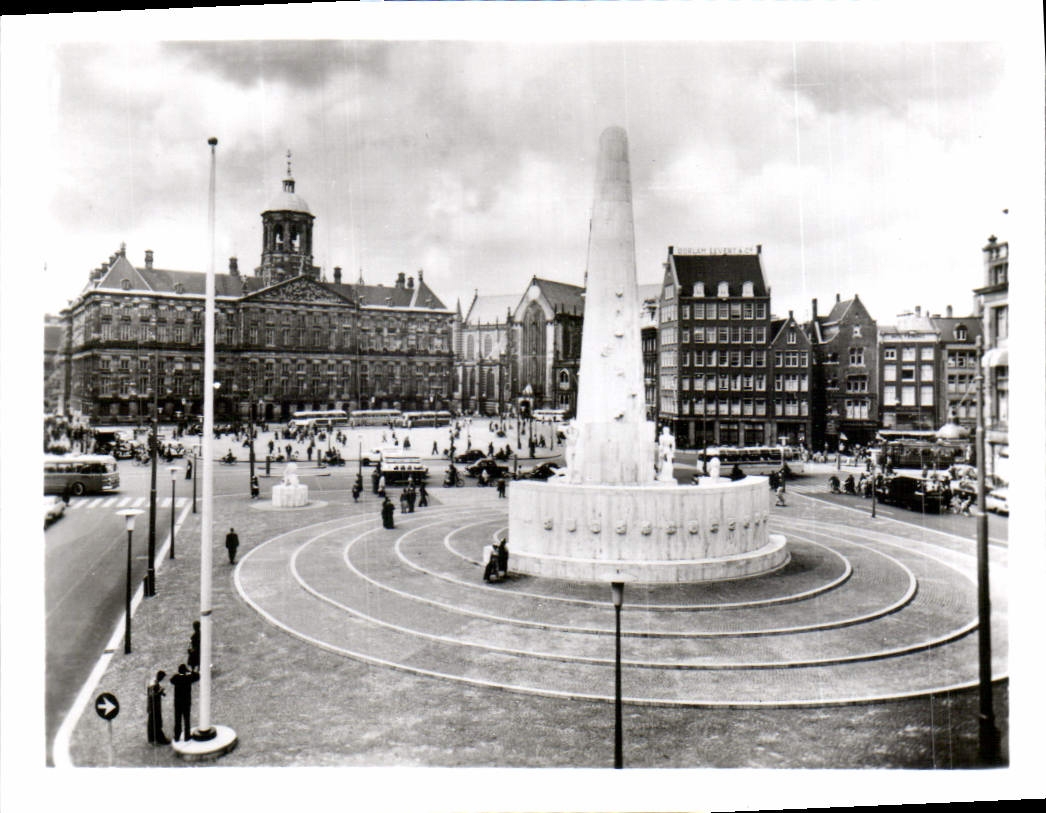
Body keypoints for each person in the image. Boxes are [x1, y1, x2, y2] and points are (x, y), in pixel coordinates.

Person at [169, 664, 199, 742]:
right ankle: (187, 736)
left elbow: (171, 680)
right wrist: (190, 671)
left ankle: (177, 736)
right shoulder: (188, 678)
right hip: (186, 701)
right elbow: (197, 676)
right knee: (186, 719)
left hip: (177, 702)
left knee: (177, 720)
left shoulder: (176, 677)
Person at [146, 670, 169, 745]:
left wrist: (161, 693)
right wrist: (160, 691)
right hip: (154, 707)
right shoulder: (154, 684)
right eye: (162, 677)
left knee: (153, 722)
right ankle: (160, 739)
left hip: (153, 706)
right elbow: (152, 695)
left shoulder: (154, 682)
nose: (162, 679)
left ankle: (152, 738)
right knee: (156, 723)